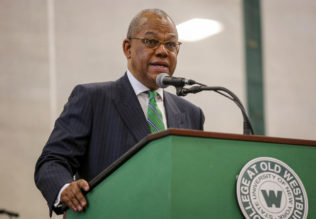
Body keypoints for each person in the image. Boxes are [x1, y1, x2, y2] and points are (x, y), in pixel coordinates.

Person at [34, 8, 205, 216]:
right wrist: (64, 189)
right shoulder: (92, 99)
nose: (162, 51)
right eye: (151, 42)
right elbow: (52, 161)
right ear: (128, 48)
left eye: (170, 44)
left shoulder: (191, 114)